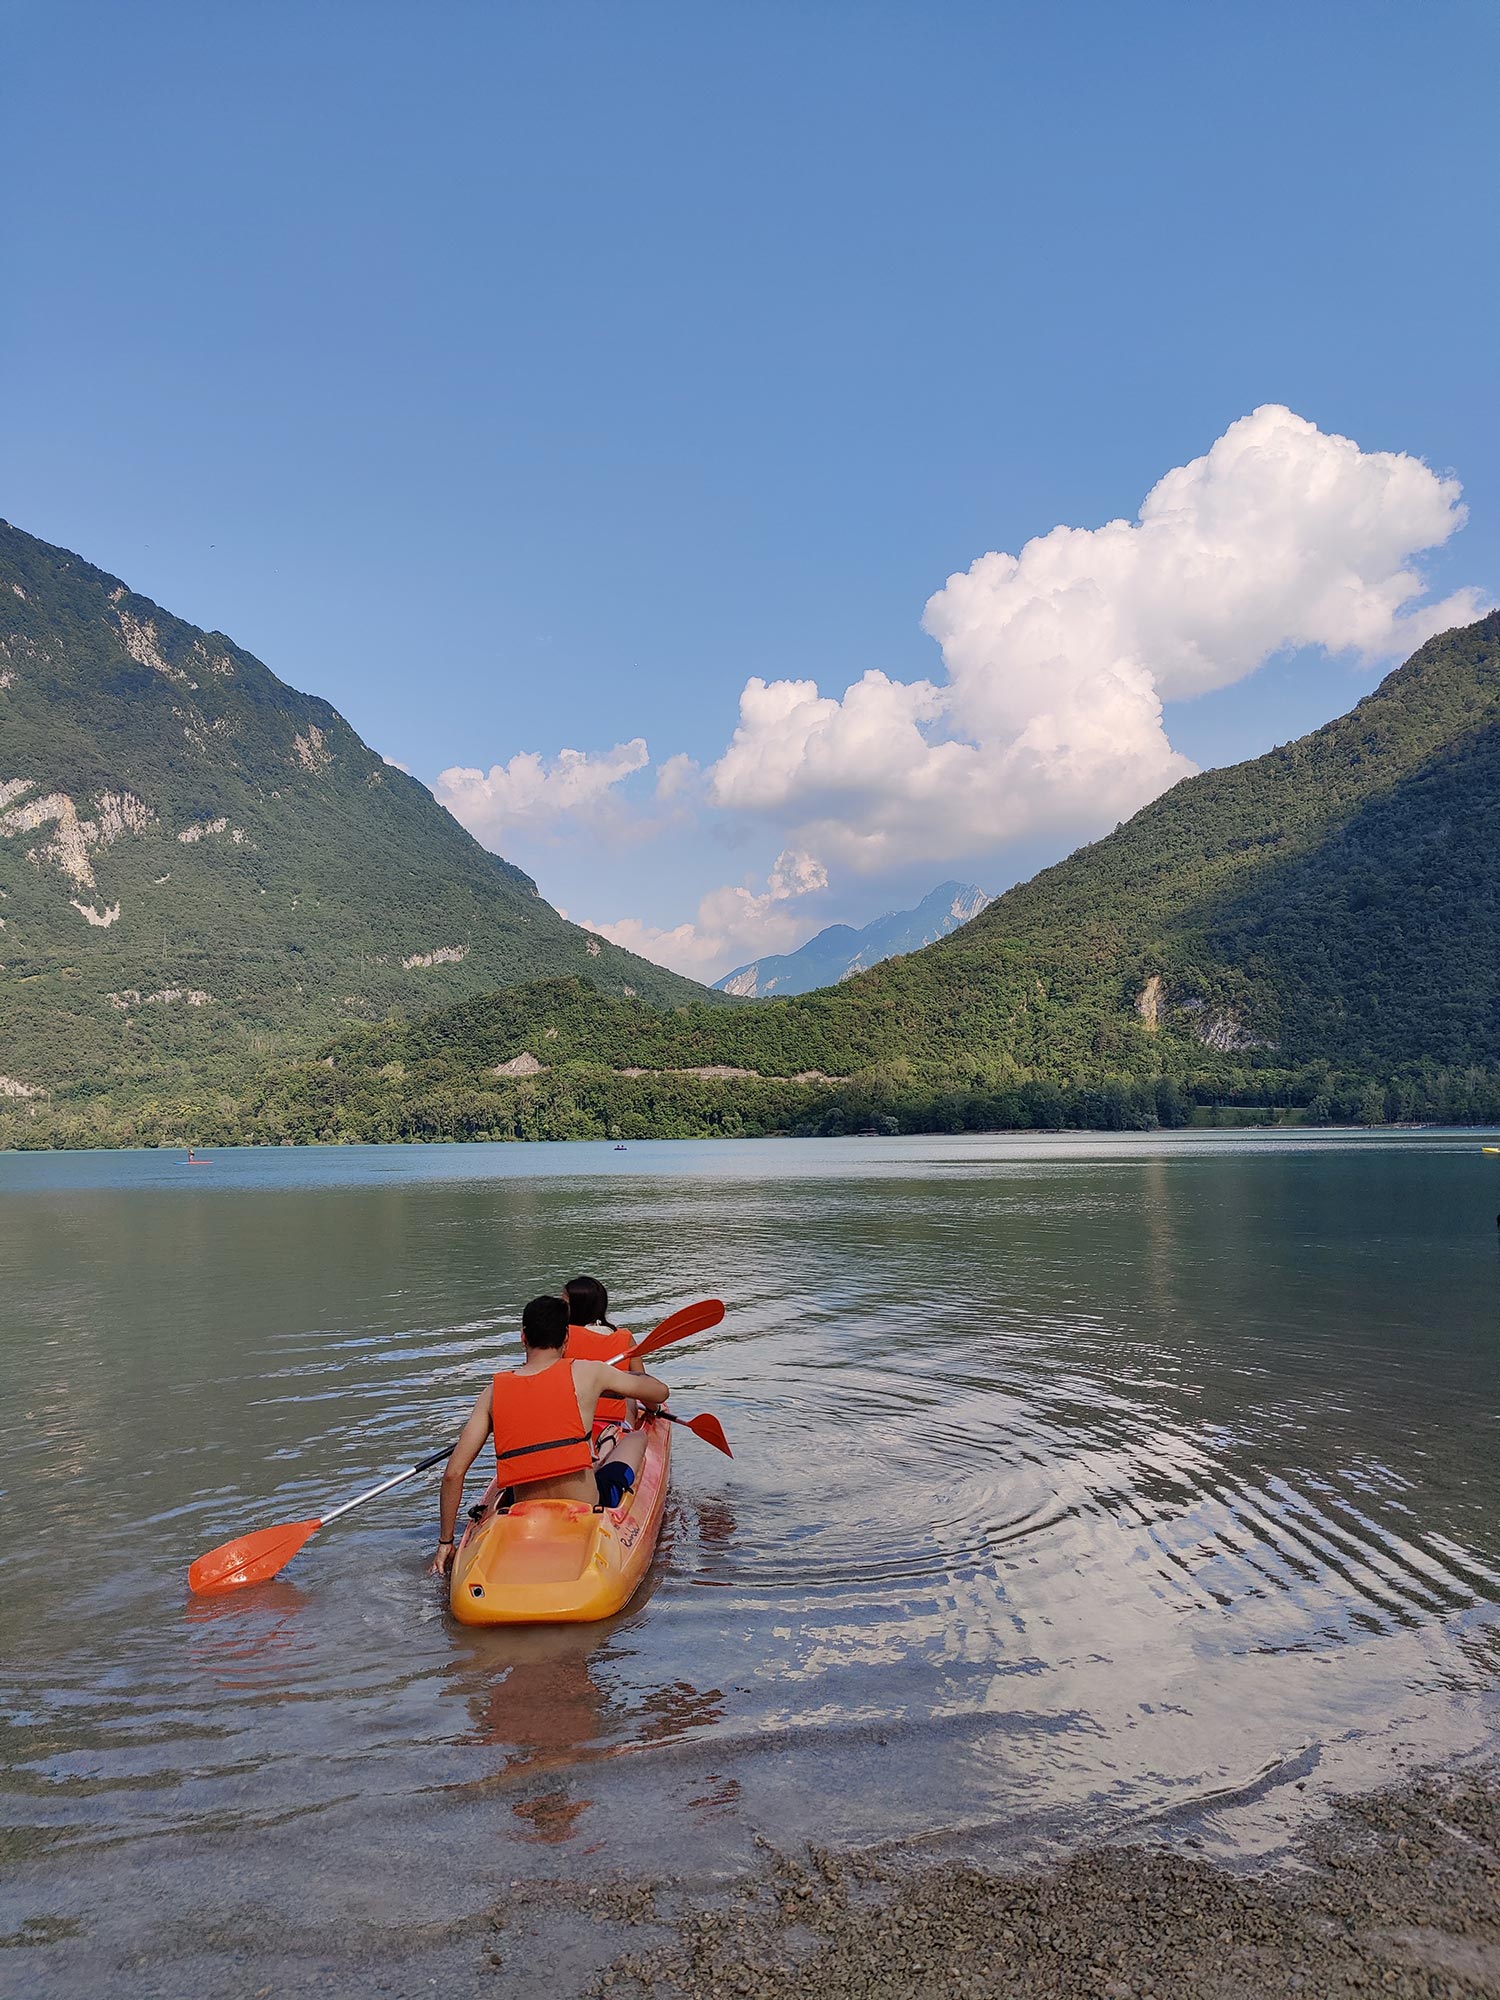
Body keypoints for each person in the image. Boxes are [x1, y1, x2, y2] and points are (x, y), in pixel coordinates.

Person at [429, 1294, 669, 1577]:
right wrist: (617, 1385)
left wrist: (446, 1542)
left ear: (523, 1337)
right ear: (566, 1338)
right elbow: (660, 1393)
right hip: (586, 1505)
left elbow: (453, 1474)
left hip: (524, 1509)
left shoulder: (494, 1392)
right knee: (637, 1438)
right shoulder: (590, 1373)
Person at [562, 1274, 640, 1431]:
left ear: (576, 1308)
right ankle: (627, 1432)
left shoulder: (562, 1337)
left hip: (572, 1421)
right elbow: (642, 1384)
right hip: (613, 1423)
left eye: (564, 1303)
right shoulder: (625, 1338)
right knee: (630, 1392)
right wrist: (655, 1409)